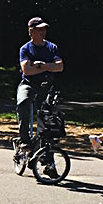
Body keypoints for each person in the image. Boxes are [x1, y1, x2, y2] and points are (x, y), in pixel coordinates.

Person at [16, 17, 63, 150]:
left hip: (47, 86)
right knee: (23, 102)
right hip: (29, 84)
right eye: (39, 29)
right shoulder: (25, 49)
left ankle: (46, 148)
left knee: (49, 113)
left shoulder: (52, 47)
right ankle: (24, 139)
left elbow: (60, 67)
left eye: (44, 29)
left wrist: (41, 65)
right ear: (31, 31)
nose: (43, 32)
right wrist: (49, 66)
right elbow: (26, 70)